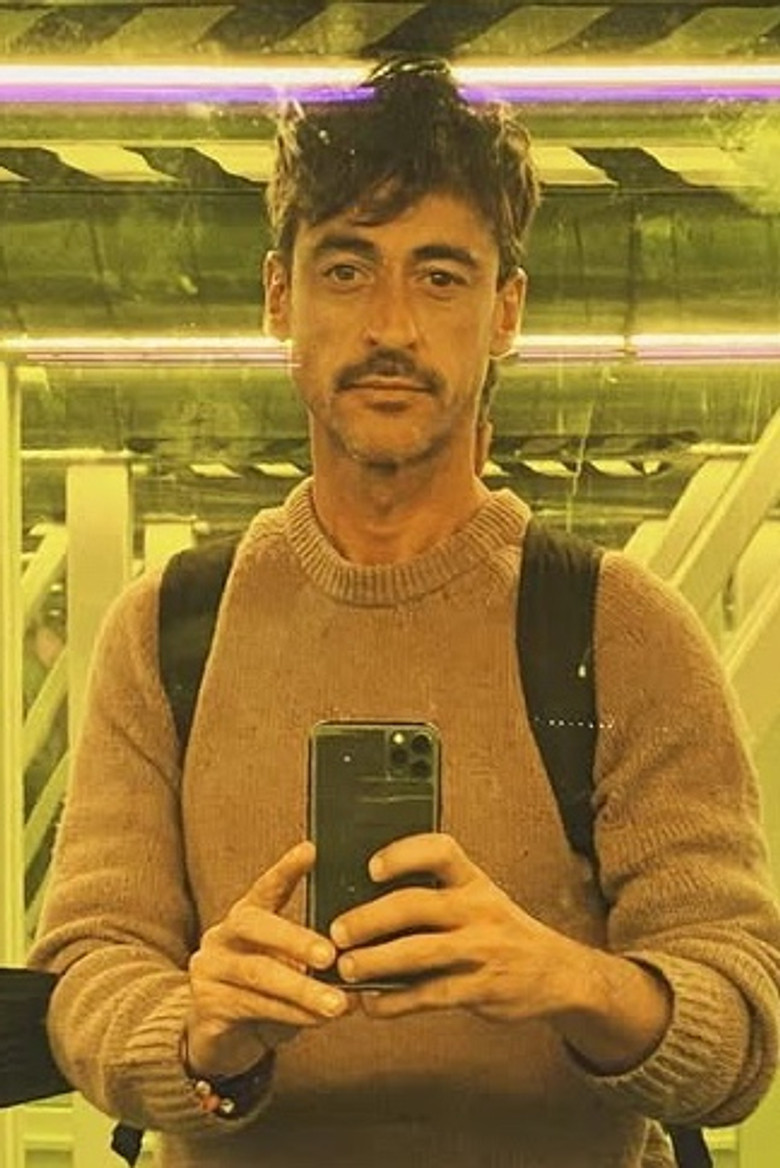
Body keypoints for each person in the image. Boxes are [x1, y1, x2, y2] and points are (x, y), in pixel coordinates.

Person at [30, 57, 780, 1168]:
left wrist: (568, 981)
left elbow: (742, 1019)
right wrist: (197, 1031)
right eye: (346, 270)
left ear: (504, 310)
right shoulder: (169, 629)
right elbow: (88, 967)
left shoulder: (619, 630)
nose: (391, 324)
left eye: (439, 276)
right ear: (278, 298)